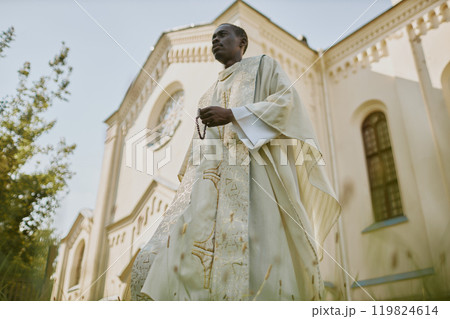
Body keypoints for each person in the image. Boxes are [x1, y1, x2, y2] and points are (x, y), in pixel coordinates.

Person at [131, 23, 341, 301]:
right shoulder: (208, 94)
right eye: (213, 38)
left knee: (262, 258)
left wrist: (232, 114)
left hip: (259, 182)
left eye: (223, 35)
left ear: (242, 42)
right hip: (212, 191)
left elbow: (285, 103)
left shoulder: (264, 67)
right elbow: (198, 150)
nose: (216, 41)